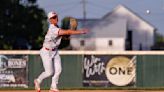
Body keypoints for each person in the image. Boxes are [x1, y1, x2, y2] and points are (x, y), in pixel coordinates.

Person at [34, 11, 87, 92]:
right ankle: (38, 80)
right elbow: (67, 32)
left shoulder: (57, 27)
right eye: (53, 18)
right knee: (49, 72)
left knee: (59, 70)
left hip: (54, 51)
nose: (55, 19)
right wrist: (79, 31)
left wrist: (69, 33)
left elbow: (65, 36)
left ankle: (53, 87)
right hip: (46, 51)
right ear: (50, 20)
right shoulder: (53, 29)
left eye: (55, 17)